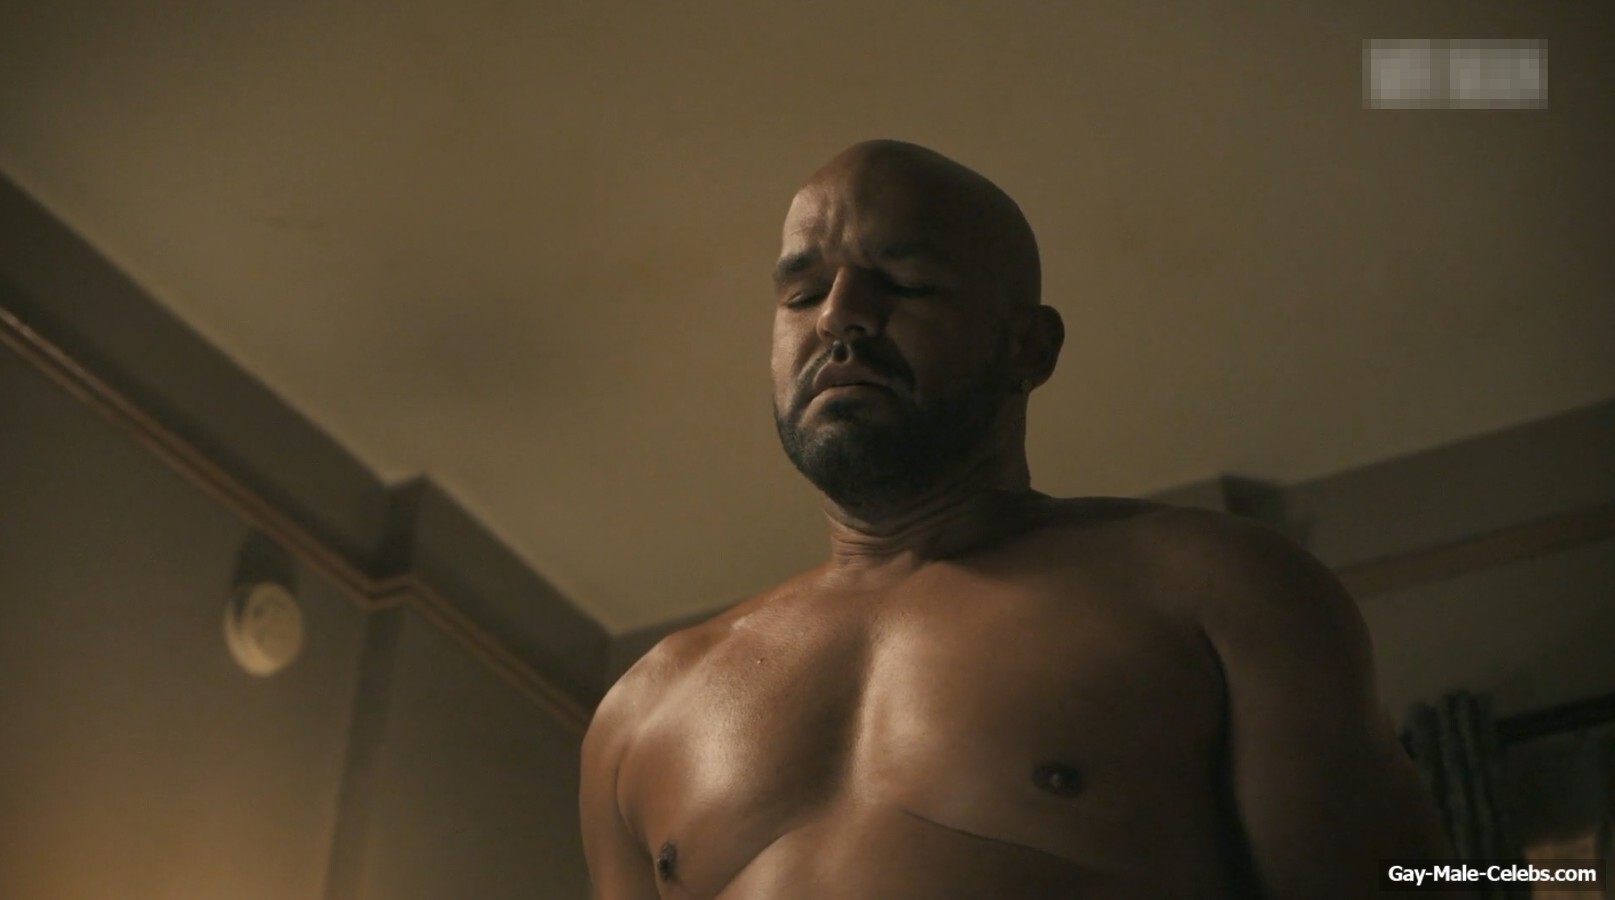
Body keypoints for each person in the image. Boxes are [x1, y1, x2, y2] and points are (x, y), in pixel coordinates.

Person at [579, 139, 1453, 898]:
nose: (840, 316)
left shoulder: (1216, 586)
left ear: (1028, 347)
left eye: (904, 282)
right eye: (802, 295)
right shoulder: (643, 711)